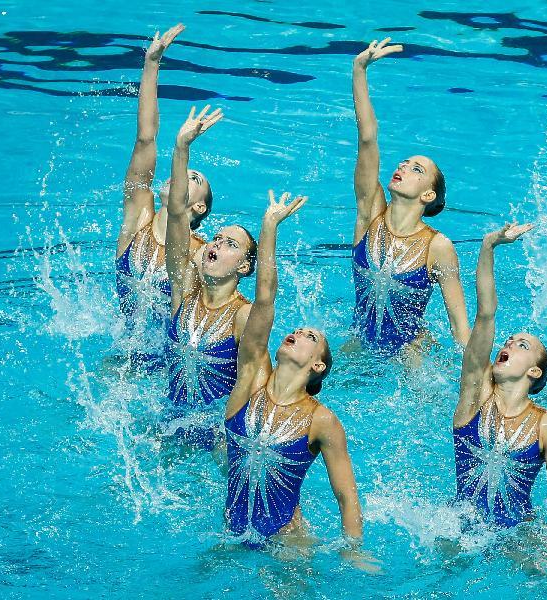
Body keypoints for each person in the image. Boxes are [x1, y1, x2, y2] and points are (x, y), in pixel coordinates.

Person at [225, 190, 365, 548]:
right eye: (298, 330)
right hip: (227, 530)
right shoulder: (251, 381)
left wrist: (354, 550)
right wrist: (269, 225)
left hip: (288, 540)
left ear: (318, 364)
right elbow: (265, 299)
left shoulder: (322, 420)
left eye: (310, 336)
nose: (297, 333)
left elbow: (347, 497)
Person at [350, 38, 470, 357]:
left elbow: (460, 328)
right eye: (404, 162)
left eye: (416, 168)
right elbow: (367, 139)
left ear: (428, 194)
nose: (403, 166)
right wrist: (359, 70)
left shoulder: (438, 247)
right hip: (359, 341)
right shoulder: (369, 214)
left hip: (412, 354)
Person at [454, 223, 547, 530]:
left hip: (519, 535)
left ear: (534, 371)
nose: (507, 344)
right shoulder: (474, 398)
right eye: (508, 341)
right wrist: (488, 246)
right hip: (461, 529)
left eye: (522, 345)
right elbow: (485, 315)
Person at [116, 24, 212, 357]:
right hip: (124, 354)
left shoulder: (202, 254)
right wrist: (151, 63)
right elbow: (145, 138)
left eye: (193, 179)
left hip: (168, 365)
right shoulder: (137, 221)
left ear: (198, 208)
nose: (181, 176)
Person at [163, 105, 253, 445]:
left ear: (244, 266)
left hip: (219, 433)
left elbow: (255, 377)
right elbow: (176, 214)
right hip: (168, 420)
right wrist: (182, 147)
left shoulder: (244, 315)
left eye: (230, 244)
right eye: (216, 237)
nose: (216, 243)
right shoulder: (182, 291)